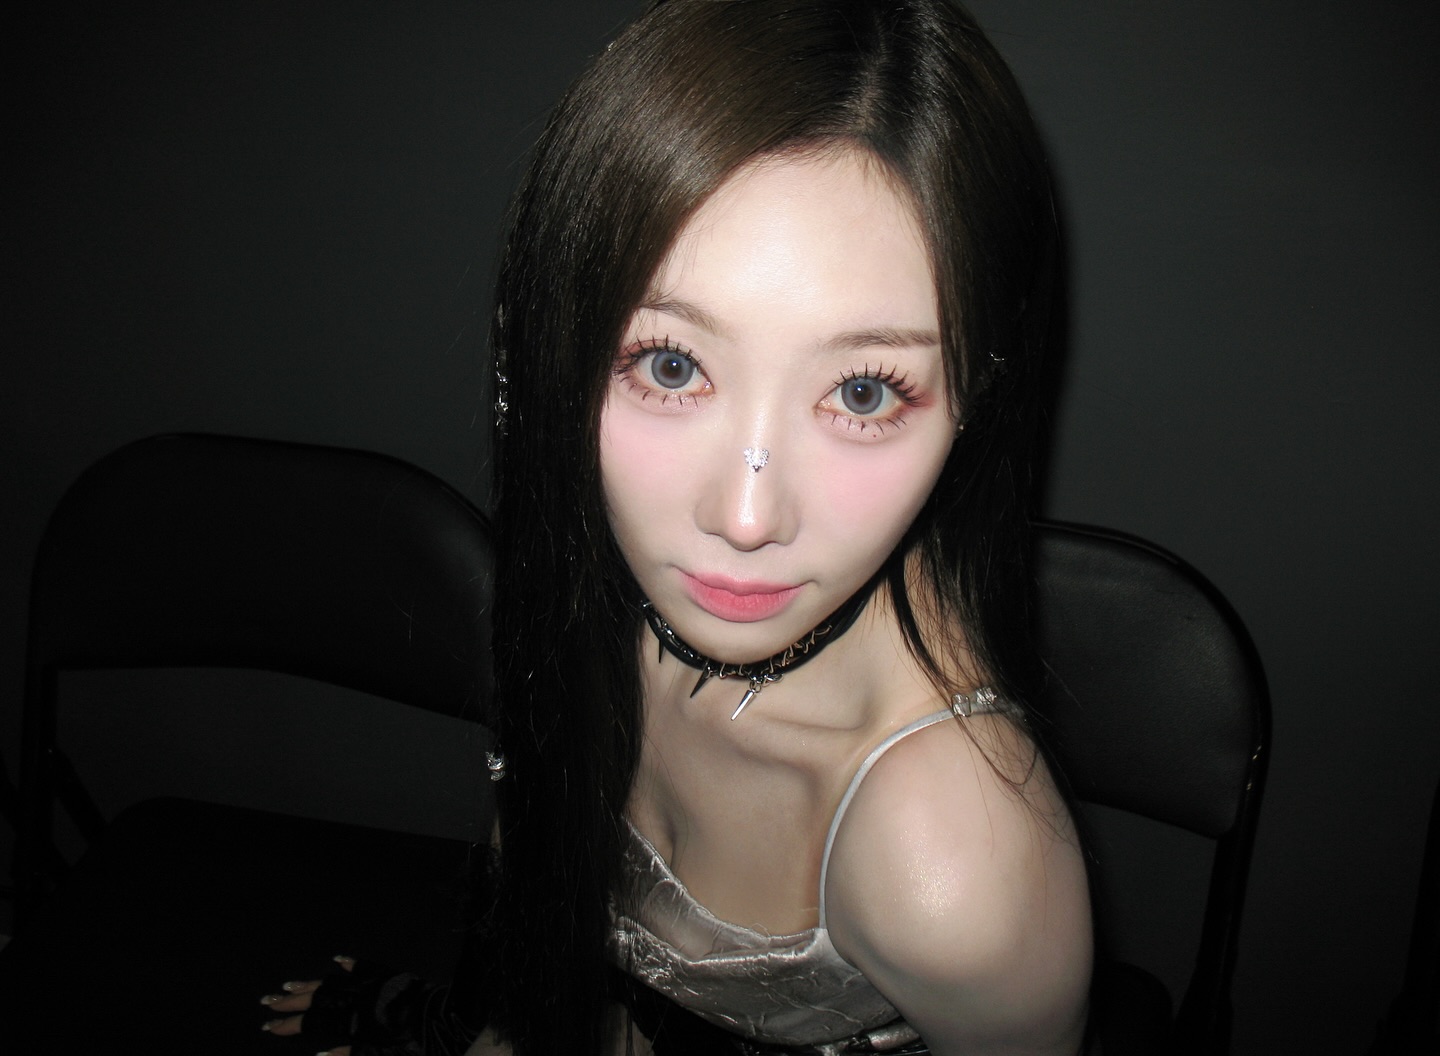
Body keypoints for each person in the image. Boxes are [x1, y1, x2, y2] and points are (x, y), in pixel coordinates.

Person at [262, 1, 1091, 1053]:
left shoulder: (954, 873)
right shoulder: (598, 578)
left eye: (865, 393)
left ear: (976, 401)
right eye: (670, 366)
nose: (744, 519)